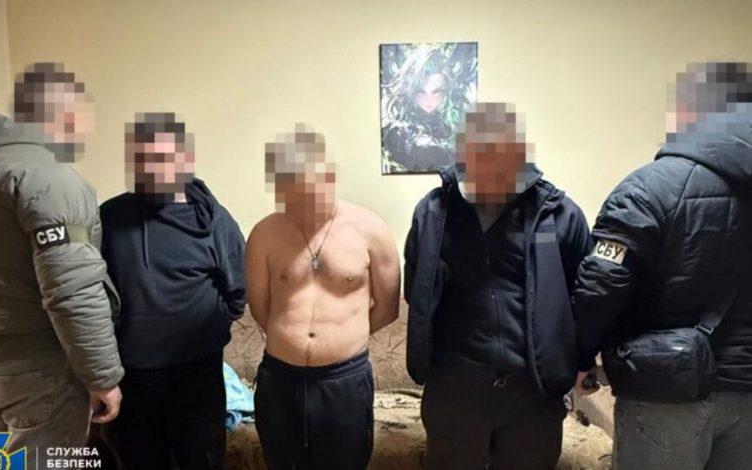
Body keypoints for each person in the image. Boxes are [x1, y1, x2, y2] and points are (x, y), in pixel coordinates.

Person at [574, 62, 752, 470]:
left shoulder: (650, 187)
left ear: (688, 113)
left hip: (665, 393)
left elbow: (600, 287)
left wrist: (582, 356)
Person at [405, 102, 592, 469]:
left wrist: (582, 362)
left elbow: (583, 298)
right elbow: (417, 290)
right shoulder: (433, 213)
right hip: (454, 391)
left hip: (533, 394)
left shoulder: (558, 213)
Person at [0, 62, 123, 467]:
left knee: (2, 463)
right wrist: (102, 377)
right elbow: (73, 289)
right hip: (41, 374)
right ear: (66, 114)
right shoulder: (49, 179)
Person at [246, 124, 400, 469]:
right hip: (279, 382)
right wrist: (293, 341)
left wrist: (343, 339)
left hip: (343, 383)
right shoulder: (265, 233)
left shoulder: (371, 230)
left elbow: (388, 307)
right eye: (291, 194)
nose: (300, 204)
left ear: (329, 176)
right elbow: (260, 307)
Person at [100, 113, 246, 470]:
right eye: (143, 158)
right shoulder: (110, 218)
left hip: (197, 376)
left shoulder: (215, 220)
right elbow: (94, 294)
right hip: (133, 378)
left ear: (185, 160)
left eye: (162, 157)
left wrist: (206, 333)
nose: (152, 168)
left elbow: (238, 293)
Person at [381, 43, 477, 173]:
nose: (428, 101)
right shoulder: (395, 132)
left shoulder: (456, 125)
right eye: (420, 92)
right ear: (410, 90)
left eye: (437, 92)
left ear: (447, 90)